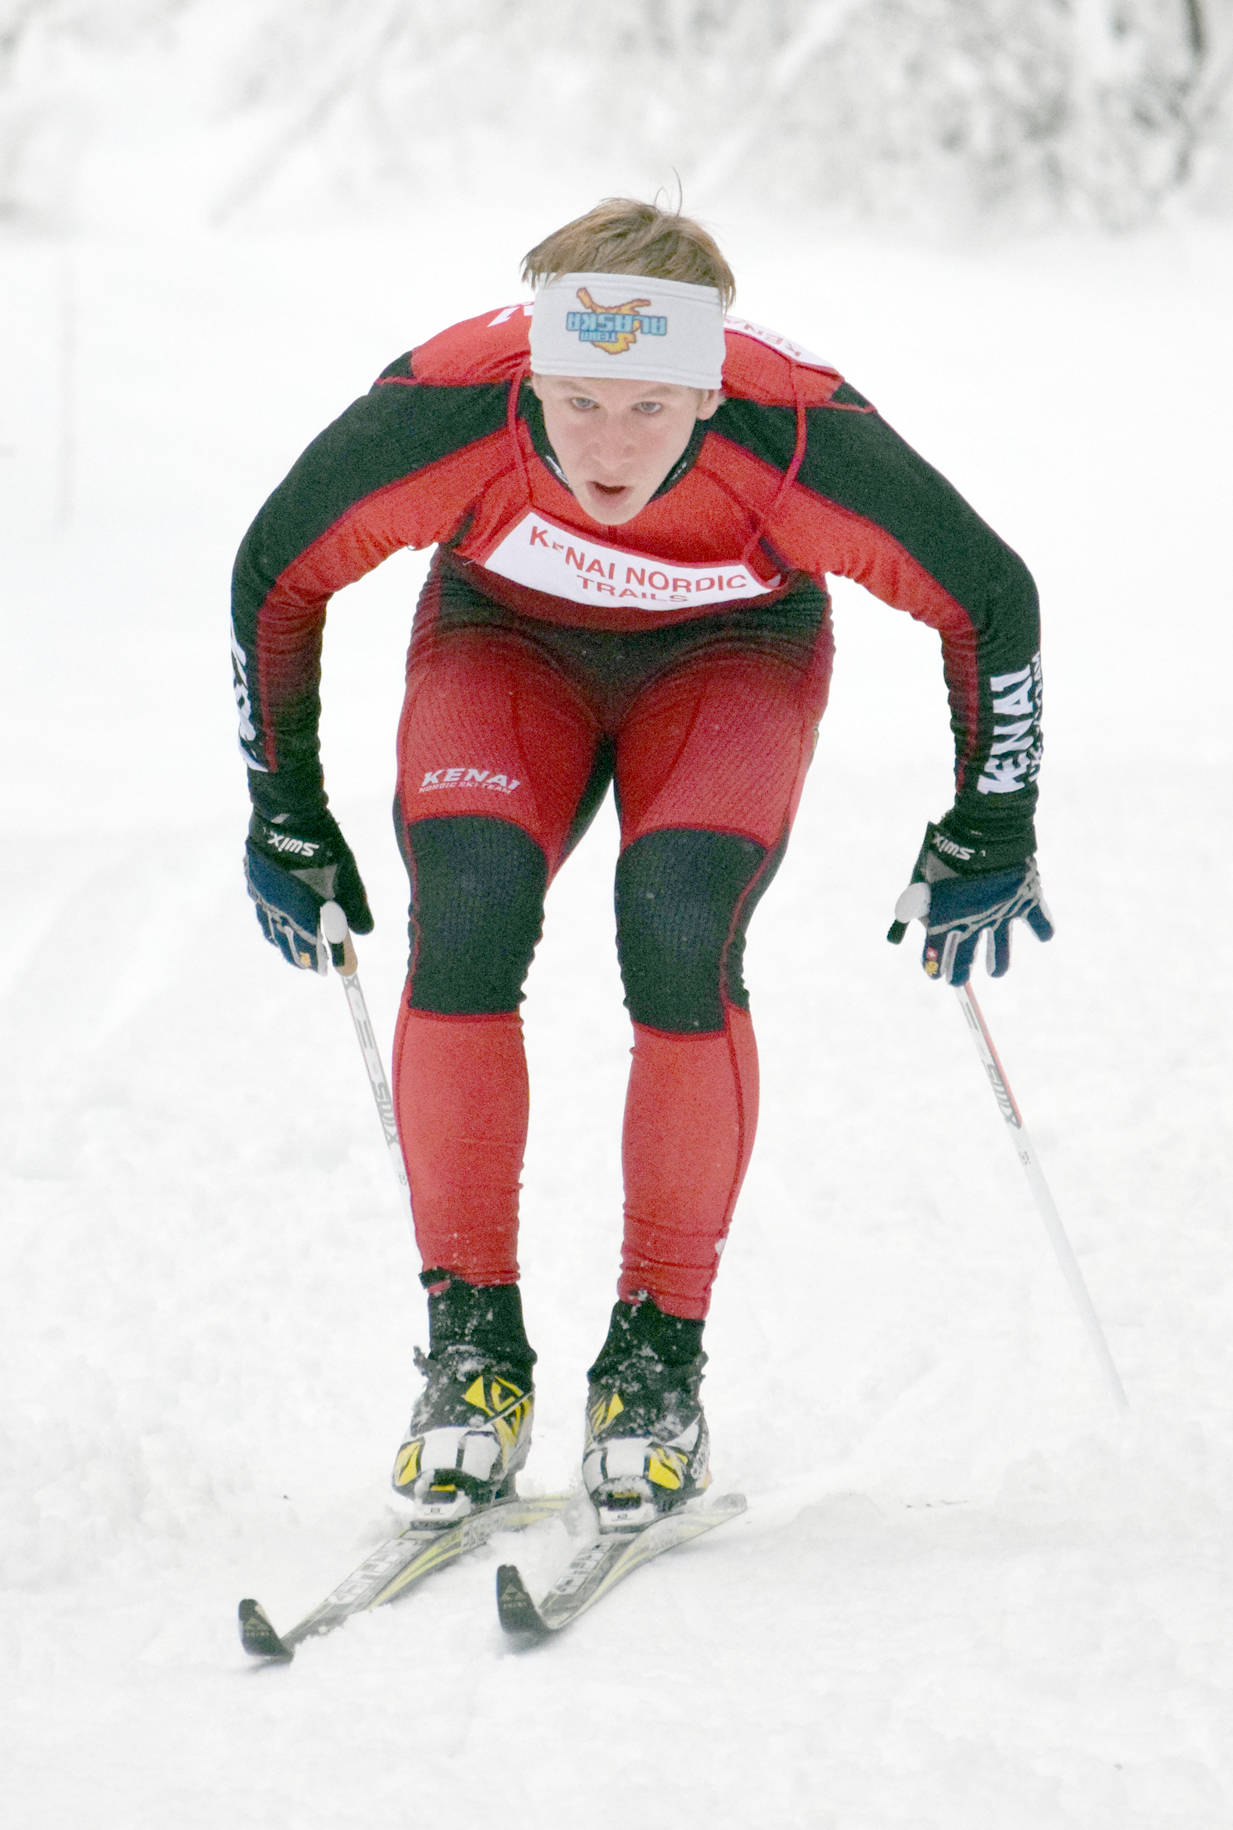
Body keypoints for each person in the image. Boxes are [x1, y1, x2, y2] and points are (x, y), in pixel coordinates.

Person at [231, 198, 1052, 1530]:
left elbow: (987, 595)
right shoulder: (447, 405)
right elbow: (276, 570)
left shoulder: (800, 435)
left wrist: (989, 822)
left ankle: (654, 1361)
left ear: (708, 387)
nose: (608, 447)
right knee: (468, 905)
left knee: (676, 922)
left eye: (651, 410)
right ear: (531, 376)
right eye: (575, 403)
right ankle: (472, 1349)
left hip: (730, 660)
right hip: (505, 646)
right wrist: (284, 807)